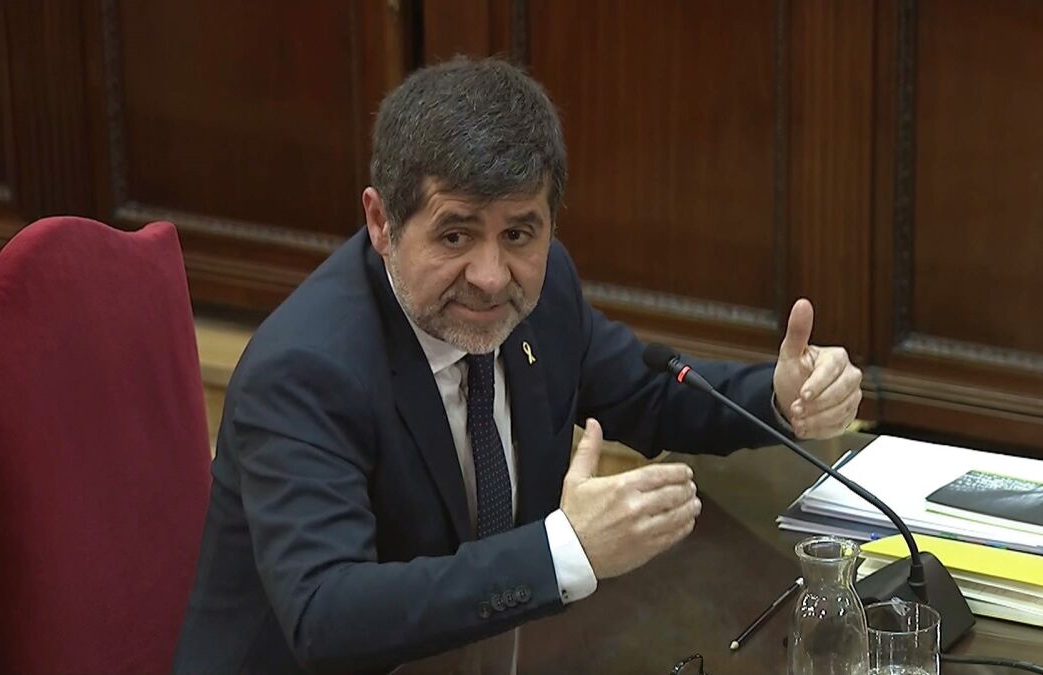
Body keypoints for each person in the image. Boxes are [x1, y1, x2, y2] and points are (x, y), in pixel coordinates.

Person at [172, 57, 862, 674]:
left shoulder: (545, 290)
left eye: (518, 233)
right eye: (455, 234)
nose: (491, 275)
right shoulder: (305, 370)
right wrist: (562, 550)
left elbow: (646, 392)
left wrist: (777, 396)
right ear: (381, 223)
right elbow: (326, 614)